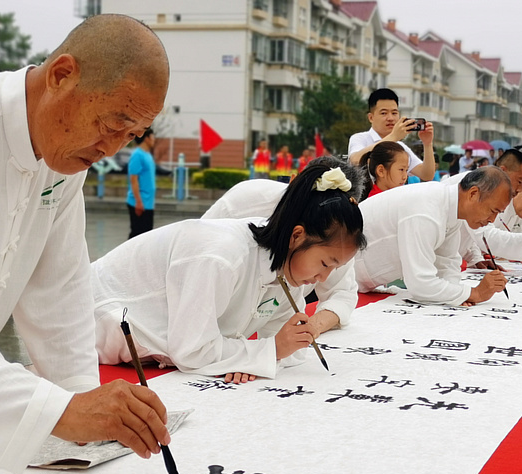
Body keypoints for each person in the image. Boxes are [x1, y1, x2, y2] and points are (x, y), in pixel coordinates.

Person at [0, 14, 171, 472]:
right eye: (114, 122)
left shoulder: (63, 156)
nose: (112, 148)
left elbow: (61, 287)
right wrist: (65, 413)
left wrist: (86, 406)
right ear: (62, 75)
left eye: (130, 136)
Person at [93, 162, 365, 384]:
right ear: (297, 235)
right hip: (88, 330)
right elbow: (193, 350)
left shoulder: (288, 268)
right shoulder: (221, 256)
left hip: (144, 354)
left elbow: (284, 346)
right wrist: (261, 353)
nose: (323, 279)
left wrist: (252, 357)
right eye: (325, 264)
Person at [200, 156, 367, 337]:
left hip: (275, 316)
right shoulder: (245, 201)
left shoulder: (338, 230)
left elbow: (342, 292)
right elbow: (200, 260)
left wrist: (311, 328)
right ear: (294, 182)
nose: (324, 276)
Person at [354, 167, 511, 306]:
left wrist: (457, 295)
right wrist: (475, 293)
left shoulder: (450, 207)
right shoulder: (426, 210)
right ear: (473, 194)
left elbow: (447, 263)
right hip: (344, 275)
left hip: (361, 281)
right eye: (493, 210)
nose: (492, 220)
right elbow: (420, 283)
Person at [347, 88, 435, 182]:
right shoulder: (360, 138)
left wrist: (427, 144)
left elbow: (426, 175)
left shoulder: (400, 147)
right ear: (371, 117)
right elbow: (355, 161)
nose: (390, 118)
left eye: (394, 113)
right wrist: (393, 137)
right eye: (384, 113)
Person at [126, 128, 157, 238]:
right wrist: (138, 202)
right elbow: (133, 180)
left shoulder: (147, 155)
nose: (154, 140)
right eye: (153, 137)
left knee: (146, 235)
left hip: (148, 202)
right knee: (137, 235)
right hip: (139, 203)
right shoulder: (137, 155)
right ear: (147, 138)